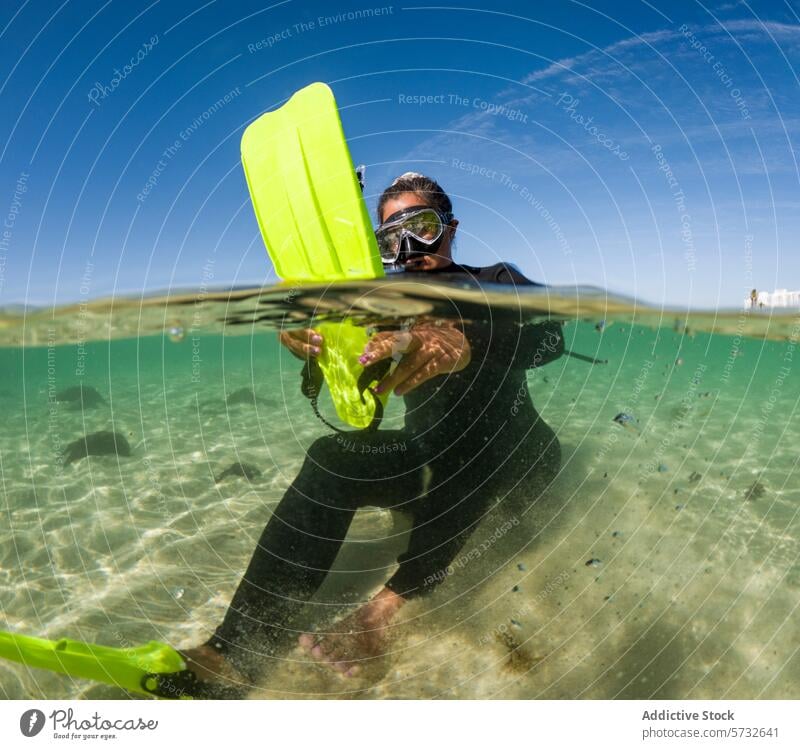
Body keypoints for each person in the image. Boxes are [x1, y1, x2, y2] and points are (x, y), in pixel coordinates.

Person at [182, 172, 563, 692]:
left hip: (521, 466)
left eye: (422, 227)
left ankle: (391, 604)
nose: (407, 248)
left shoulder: (495, 279)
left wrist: (470, 340)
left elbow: (550, 340)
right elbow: (348, 374)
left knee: (477, 446)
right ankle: (236, 653)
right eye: (390, 238)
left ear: (450, 229)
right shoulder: (381, 301)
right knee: (329, 457)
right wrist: (305, 334)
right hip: (430, 465)